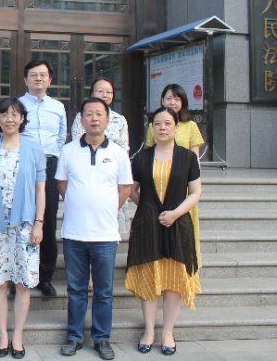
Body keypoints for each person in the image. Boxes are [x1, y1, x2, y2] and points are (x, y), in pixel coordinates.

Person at [57, 98, 132, 361]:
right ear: (82, 120)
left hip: (105, 235)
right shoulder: (68, 151)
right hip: (74, 234)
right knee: (76, 289)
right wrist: (81, 203)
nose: (94, 118)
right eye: (89, 114)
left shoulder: (119, 153)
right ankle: (74, 337)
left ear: (108, 120)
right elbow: (62, 184)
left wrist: (106, 207)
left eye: (99, 114)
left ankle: (101, 338)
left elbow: (125, 188)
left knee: (103, 291)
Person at [125, 107, 202, 356]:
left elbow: (196, 193)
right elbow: (131, 189)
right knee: (150, 278)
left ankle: (168, 332)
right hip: (147, 226)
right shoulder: (142, 157)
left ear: (176, 127)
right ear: (152, 128)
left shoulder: (187, 158)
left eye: (168, 123)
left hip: (178, 225)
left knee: (174, 280)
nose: (162, 127)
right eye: (157, 123)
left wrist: (175, 213)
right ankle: (149, 330)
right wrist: (147, 207)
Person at [0, 98, 46, 359]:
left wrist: (39, 223)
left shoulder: (34, 148)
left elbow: (41, 189)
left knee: (22, 283)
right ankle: (2, 335)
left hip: (26, 226)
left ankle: (17, 335)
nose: (9, 118)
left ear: (22, 119)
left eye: (15, 114)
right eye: (4, 114)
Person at [144, 84, 204, 274]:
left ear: (183, 102)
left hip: (182, 185)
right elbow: (148, 154)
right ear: (162, 100)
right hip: (159, 184)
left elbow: (195, 157)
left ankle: (187, 266)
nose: (172, 102)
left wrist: (193, 181)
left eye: (177, 99)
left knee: (185, 226)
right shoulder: (153, 125)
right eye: (169, 98)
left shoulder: (191, 126)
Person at [19, 59, 67, 297]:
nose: (38, 78)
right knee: (21, 218)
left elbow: (61, 139)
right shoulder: (17, 105)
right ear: (25, 79)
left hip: (49, 165)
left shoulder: (58, 107)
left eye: (43, 75)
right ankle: (20, 275)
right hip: (23, 164)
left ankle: (44, 276)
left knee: (46, 219)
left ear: (50, 80)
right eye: (33, 75)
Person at [71, 77, 131, 249]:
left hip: (111, 177)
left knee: (108, 228)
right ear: (92, 93)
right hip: (86, 175)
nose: (105, 94)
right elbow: (77, 144)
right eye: (100, 91)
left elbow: (124, 149)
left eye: (109, 92)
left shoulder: (120, 119)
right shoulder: (81, 118)